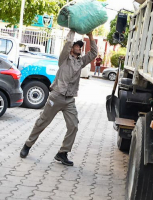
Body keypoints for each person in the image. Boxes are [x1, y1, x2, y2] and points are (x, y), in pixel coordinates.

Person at [19, 30, 97, 166]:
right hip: (56, 96)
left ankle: (62, 153)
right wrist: (72, 30)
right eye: (77, 46)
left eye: (80, 46)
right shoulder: (64, 59)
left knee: (73, 126)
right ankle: (27, 145)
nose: (80, 48)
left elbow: (94, 53)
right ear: (72, 48)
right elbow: (67, 44)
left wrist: (90, 36)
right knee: (42, 122)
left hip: (69, 100)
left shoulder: (80, 62)